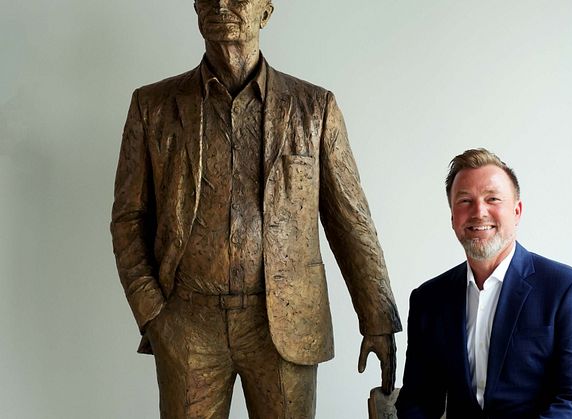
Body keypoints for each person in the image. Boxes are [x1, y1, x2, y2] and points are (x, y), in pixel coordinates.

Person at [110, 1, 401, 417]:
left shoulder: (314, 108)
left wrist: (377, 317)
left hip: (285, 321)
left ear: (266, 12)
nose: (221, 5)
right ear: (195, 7)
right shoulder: (153, 106)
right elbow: (128, 220)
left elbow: (350, 219)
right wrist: (153, 312)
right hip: (188, 322)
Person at [395, 149, 572, 418]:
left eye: (492, 199)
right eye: (464, 201)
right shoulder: (429, 299)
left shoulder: (570, 290)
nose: (479, 212)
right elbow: (417, 402)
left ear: (517, 211)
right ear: (452, 217)